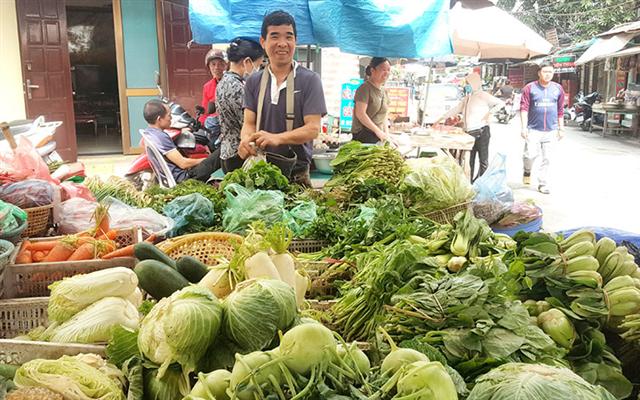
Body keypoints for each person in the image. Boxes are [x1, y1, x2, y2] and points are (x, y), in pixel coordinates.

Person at [238, 10, 327, 186]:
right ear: (263, 42)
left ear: (295, 41)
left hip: (297, 175)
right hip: (261, 171)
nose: (282, 43)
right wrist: (245, 140)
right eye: (275, 36)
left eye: (289, 37)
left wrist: (278, 138)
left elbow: (313, 129)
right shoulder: (253, 81)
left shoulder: (310, 80)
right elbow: (249, 123)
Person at [435, 73, 504, 182]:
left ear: (474, 83)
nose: (466, 85)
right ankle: (470, 182)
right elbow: (456, 109)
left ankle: (482, 182)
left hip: (482, 131)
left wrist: (489, 113)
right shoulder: (467, 98)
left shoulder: (483, 95)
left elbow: (500, 103)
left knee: (483, 159)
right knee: (469, 160)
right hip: (469, 132)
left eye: (468, 83)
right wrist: (441, 118)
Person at [215, 38, 264, 173]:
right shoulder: (238, 88)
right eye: (258, 65)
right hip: (239, 154)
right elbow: (248, 123)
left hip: (227, 151)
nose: (258, 70)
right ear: (247, 62)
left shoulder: (222, 82)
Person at [142, 99, 220, 183]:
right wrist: (206, 159)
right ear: (159, 119)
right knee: (220, 153)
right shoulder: (161, 137)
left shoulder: (150, 133)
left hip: (173, 177)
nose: (171, 118)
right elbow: (183, 163)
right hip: (184, 179)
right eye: (169, 115)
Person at [520, 62, 565, 194]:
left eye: (550, 72)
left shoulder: (558, 89)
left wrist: (561, 128)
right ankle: (527, 170)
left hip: (551, 130)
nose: (547, 74)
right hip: (533, 129)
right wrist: (524, 127)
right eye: (545, 72)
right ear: (539, 73)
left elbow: (560, 110)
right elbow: (524, 108)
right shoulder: (530, 88)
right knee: (529, 155)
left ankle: (542, 183)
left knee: (548, 158)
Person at [351, 57, 392, 144]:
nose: (386, 73)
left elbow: (383, 116)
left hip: (378, 136)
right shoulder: (364, 88)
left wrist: (387, 135)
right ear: (373, 70)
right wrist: (377, 131)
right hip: (363, 136)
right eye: (383, 70)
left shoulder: (384, 91)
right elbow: (360, 114)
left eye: (388, 70)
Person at [199, 49, 228, 141]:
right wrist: (200, 125)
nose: (216, 67)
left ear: (226, 66)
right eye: (213, 64)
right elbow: (205, 111)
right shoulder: (207, 86)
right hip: (214, 129)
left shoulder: (232, 84)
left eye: (220, 64)